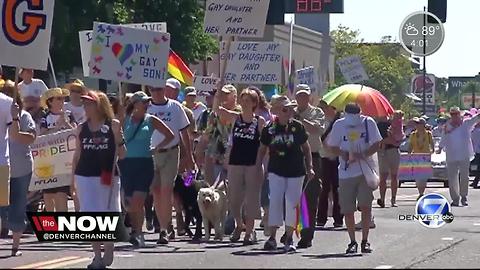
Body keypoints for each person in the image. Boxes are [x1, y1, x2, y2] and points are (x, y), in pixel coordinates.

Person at [72, 90, 125, 269]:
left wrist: (118, 137)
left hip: (107, 173)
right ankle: (96, 255)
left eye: (89, 103)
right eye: (84, 103)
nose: (86, 107)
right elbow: (77, 154)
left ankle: (108, 246)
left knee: (108, 210)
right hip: (85, 175)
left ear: (99, 105)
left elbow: (123, 155)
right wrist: (72, 179)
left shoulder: (113, 125)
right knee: (90, 214)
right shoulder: (81, 127)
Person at [258, 96, 314, 253]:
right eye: (284, 109)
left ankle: (289, 237)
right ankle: (272, 237)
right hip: (276, 170)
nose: (288, 112)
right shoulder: (269, 128)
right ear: (276, 111)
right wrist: (258, 167)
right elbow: (262, 149)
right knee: (275, 201)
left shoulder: (298, 127)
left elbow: (306, 148)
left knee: (292, 203)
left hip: (296, 171)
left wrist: (310, 167)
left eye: (290, 109)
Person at [119, 91, 174, 248]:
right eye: (143, 102)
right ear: (135, 104)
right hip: (126, 163)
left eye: (147, 102)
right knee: (128, 203)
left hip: (144, 164)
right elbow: (116, 136)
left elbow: (169, 135)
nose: (147, 104)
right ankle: (136, 229)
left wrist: (156, 148)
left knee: (138, 200)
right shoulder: (125, 120)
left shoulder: (151, 120)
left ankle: (137, 232)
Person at [326, 103, 382, 254]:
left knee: (365, 205)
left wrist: (363, 154)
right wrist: (343, 153)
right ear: (345, 114)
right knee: (348, 209)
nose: (353, 117)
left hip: (364, 171)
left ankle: (365, 240)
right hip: (346, 172)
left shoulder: (367, 122)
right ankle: (352, 241)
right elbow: (331, 146)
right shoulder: (339, 125)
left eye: (356, 114)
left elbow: (377, 143)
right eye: (351, 114)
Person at [214, 87, 266, 245]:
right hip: (235, 163)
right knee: (234, 200)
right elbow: (216, 109)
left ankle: (249, 232)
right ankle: (239, 224)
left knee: (251, 200)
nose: (244, 103)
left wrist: (261, 164)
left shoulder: (260, 121)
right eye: (242, 100)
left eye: (248, 100)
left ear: (254, 103)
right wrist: (218, 92)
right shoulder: (236, 118)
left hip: (253, 164)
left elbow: (264, 145)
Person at [147, 80, 195, 245]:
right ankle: (164, 225)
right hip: (151, 154)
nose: (156, 93)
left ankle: (164, 229)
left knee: (167, 190)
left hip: (171, 152)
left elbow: (185, 133)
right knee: (156, 192)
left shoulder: (175, 107)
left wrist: (190, 157)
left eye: (159, 89)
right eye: (153, 90)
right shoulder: (146, 107)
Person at [0, 82, 36, 256]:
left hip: (21, 169)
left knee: (18, 206)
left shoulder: (24, 116)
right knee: (2, 207)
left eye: (10, 94)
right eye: (4, 93)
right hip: (3, 167)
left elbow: (27, 138)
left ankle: (15, 246)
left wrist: (14, 119)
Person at [163, 78, 197, 238]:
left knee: (187, 189)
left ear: (177, 92)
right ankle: (175, 222)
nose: (167, 91)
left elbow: (190, 136)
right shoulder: (158, 108)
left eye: (170, 89)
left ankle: (188, 219)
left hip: (184, 157)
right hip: (168, 156)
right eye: (166, 88)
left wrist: (190, 158)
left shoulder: (186, 112)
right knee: (171, 191)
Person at [292, 84, 324, 249]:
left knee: (310, 197)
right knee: (293, 197)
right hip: (292, 157)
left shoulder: (316, 112)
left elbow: (316, 130)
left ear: (309, 97)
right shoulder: (289, 110)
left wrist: (299, 119)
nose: (301, 98)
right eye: (299, 96)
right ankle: (291, 231)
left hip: (312, 157)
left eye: (305, 95)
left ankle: (307, 234)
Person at [39, 88, 77, 212]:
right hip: (50, 161)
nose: (62, 101)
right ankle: (50, 226)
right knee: (49, 196)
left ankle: (63, 226)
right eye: (59, 98)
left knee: (62, 194)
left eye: (63, 98)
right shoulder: (45, 117)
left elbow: (76, 132)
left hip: (66, 161)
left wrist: (66, 124)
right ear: (50, 102)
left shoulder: (69, 115)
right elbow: (43, 136)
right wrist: (58, 126)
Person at [438, 107, 480, 206]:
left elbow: (476, 118)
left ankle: (464, 196)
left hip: (464, 154)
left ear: (459, 114)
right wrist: (439, 148)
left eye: (456, 114)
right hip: (451, 155)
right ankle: (455, 198)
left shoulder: (466, 124)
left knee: (464, 177)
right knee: (452, 178)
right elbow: (443, 138)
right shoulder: (447, 126)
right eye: (452, 114)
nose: (454, 116)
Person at [316, 100, 343, 228]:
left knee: (338, 188)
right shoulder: (322, 121)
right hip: (324, 157)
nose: (327, 110)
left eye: (331, 107)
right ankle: (321, 218)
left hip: (338, 158)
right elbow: (318, 137)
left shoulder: (341, 123)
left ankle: (338, 218)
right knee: (324, 189)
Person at [376, 114, 401, 208]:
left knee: (394, 176)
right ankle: (382, 199)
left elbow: (398, 139)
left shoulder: (393, 124)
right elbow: (378, 140)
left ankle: (393, 199)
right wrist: (385, 141)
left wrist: (389, 140)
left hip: (393, 150)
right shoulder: (377, 125)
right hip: (382, 151)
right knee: (383, 176)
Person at [408, 117, 435, 199]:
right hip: (416, 157)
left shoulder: (428, 134)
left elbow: (432, 145)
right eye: (417, 124)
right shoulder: (413, 135)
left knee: (424, 177)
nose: (417, 126)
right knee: (417, 177)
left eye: (419, 124)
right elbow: (410, 146)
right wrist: (409, 154)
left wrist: (432, 151)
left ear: (423, 125)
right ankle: (420, 192)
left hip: (425, 157)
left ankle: (421, 192)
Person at [470, 122, 480, 189]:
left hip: (476, 151)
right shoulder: (474, 131)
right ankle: (475, 182)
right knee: (478, 168)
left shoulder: (474, 131)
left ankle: (475, 182)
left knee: (478, 168)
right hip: (476, 151)